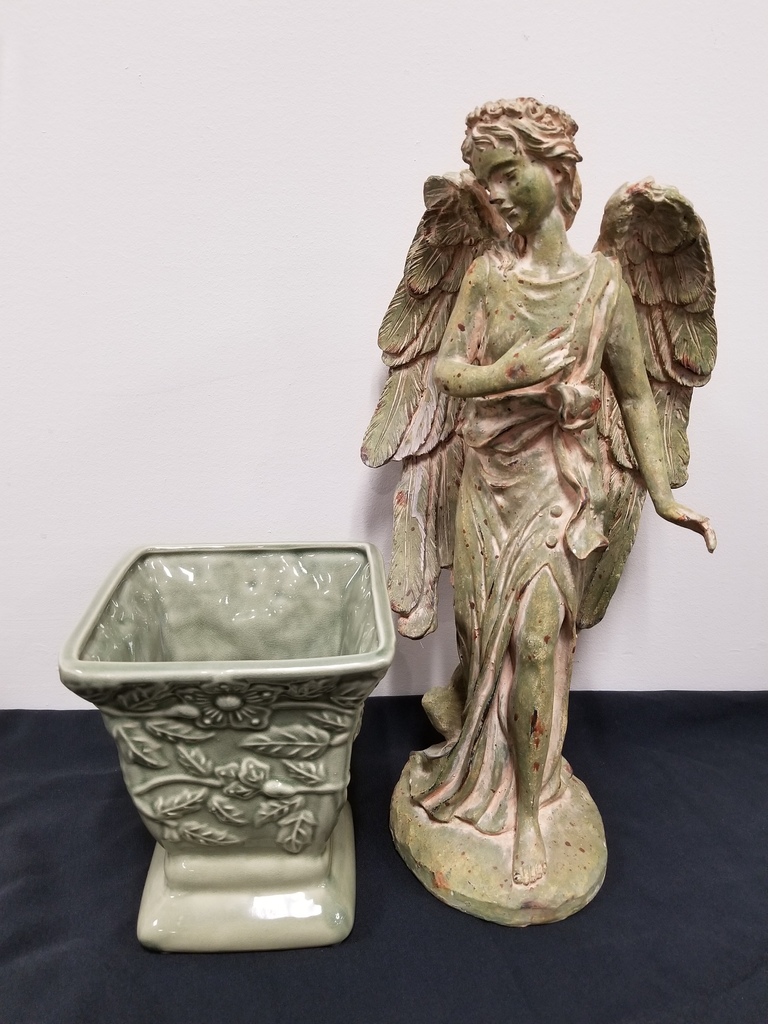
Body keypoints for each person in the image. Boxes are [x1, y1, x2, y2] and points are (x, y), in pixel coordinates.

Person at [407, 98, 715, 886]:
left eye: (506, 174)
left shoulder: (605, 284)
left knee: (537, 643)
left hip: (557, 488)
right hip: (489, 488)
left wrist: (663, 494)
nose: (495, 194)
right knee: (485, 642)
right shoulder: (485, 275)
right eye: (484, 181)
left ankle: (529, 817)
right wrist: (512, 375)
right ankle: (472, 742)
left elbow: (637, 394)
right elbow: (447, 370)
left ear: (555, 168)